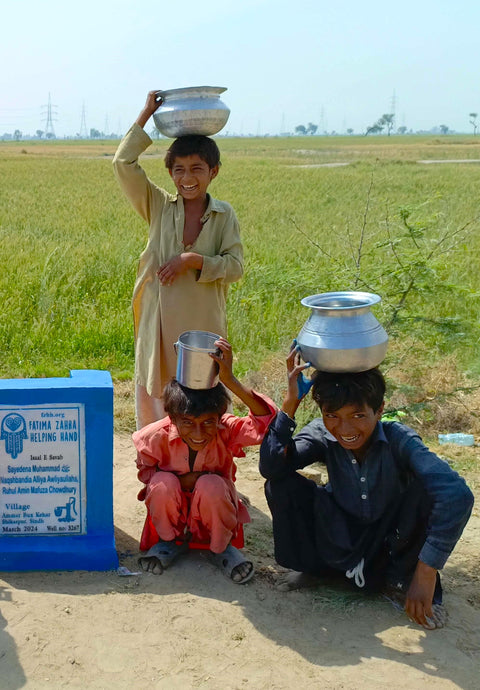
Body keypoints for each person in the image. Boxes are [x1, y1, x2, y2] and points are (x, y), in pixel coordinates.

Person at [260, 349, 474, 629]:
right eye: (332, 415)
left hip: (389, 542)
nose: (345, 428)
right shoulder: (322, 433)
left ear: (380, 409)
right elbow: (271, 468)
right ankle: (318, 570)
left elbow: (457, 495)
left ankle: (402, 581)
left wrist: (427, 570)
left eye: (358, 415)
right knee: (281, 484)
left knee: (426, 490)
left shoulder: (398, 439)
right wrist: (290, 404)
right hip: (342, 535)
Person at [113, 90, 244, 429]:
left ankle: (207, 457)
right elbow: (123, 163)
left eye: (197, 169)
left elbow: (235, 267)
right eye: (179, 170)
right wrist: (146, 113)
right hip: (160, 322)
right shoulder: (158, 206)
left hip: (204, 324)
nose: (187, 179)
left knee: (205, 397)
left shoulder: (224, 215)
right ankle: (156, 457)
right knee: (158, 394)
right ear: (170, 173)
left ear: (214, 172)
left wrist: (192, 260)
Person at [132, 338, 276, 583]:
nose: (198, 433)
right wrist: (184, 481)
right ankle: (168, 542)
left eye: (208, 422)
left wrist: (231, 381)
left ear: (220, 417)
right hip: (173, 508)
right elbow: (147, 475)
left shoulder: (226, 430)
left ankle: (220, 548)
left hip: (213, 505)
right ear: (173, 418)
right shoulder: (153, 437)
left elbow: (266, 422)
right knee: (161, 484)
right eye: (188, 423)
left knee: (212, 485)